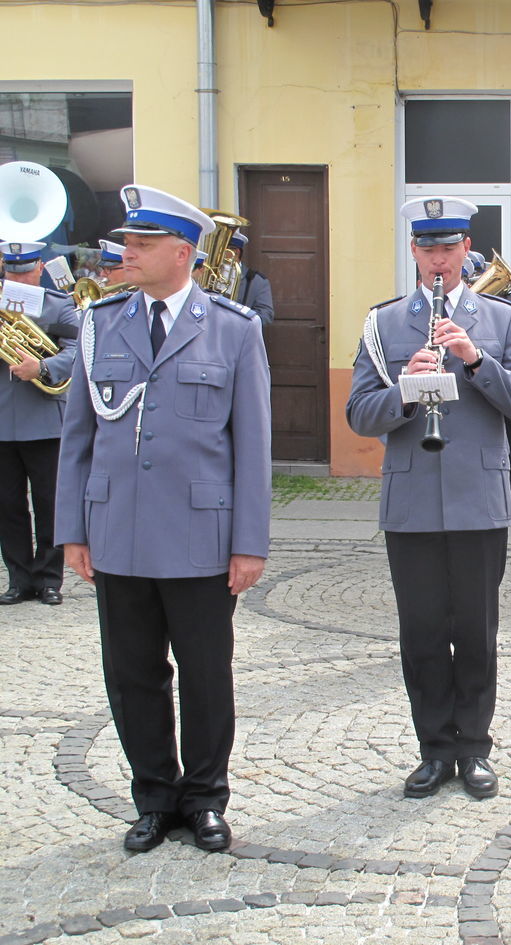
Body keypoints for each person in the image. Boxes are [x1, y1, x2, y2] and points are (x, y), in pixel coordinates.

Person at [55, 185, 272, 852]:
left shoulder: (233, 329)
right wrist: (72, 530)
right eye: (128, 243)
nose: (127, 253)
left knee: (206, 675)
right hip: (118, 535)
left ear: (182, 253)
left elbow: (252, 445)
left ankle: (205, 797)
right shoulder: (101, 323)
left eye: (142, 245)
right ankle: (154, 796)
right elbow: (79, 436)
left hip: (201, 541)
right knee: (133, 674)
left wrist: (249, 543)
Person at [346, 197, 511, 802]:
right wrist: (405, 390)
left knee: (478, 631)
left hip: (479, 499)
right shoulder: (382, 325)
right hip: (411, 502)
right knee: (424, 631)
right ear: (414, 252)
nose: (439, 259)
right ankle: (434, 750)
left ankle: (474, 748)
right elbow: (358, 414)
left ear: (465, 251)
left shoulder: (500, 319)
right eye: (427, 247)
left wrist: (474, 358)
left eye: (449, 247)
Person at [0, 242, 80, 606]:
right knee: (7, 504)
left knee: (49, 502)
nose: (18, 278)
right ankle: (18, 579)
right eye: (12, 271)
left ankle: (49, 579)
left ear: (40, 267)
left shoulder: (58, 303)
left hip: (45, 417)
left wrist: (43, 368)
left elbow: (77, 349)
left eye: (25, 271)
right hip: (3, 421)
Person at [229, 233, 275, 326]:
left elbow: (266, 314)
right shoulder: (208, 275)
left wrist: (240, 321)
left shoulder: (257, 281)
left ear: (236, 252)